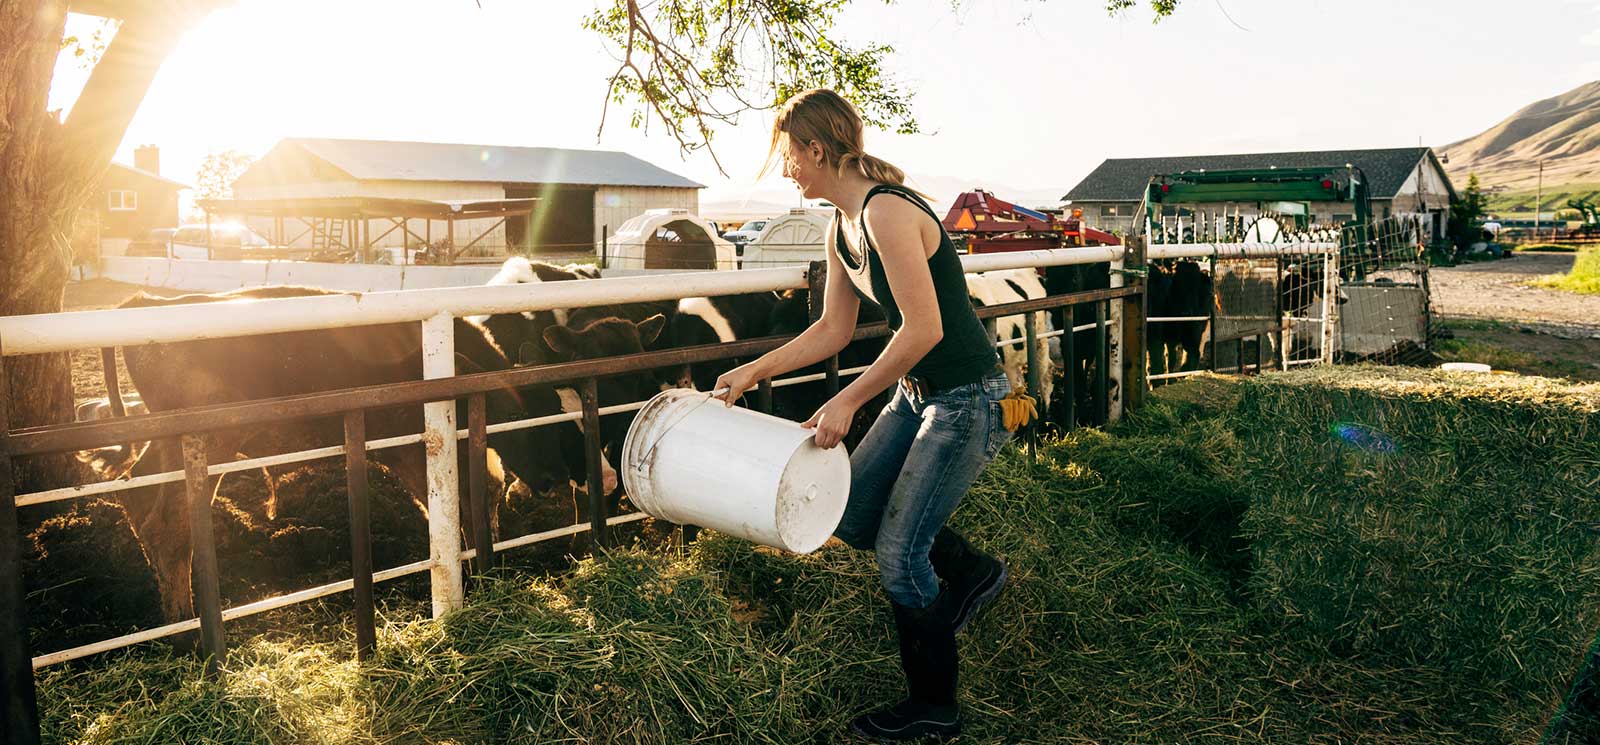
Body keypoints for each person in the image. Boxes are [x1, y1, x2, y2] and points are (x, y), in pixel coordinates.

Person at [714, 88, 1014, 741]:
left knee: (899, 554)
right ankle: (971, 573)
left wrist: (846, 399)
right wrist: (751, 370)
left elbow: (925, 327)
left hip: (970, 398)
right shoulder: (840, 227)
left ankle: (935, 706)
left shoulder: (885, 213)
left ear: (816, 150)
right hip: (919, 395)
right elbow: (831, 329)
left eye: (787, 155)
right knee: (851, 515)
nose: (786, 169)